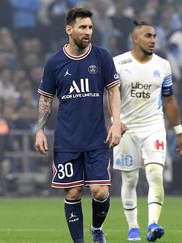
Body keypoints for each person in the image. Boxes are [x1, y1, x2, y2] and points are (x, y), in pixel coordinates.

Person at [34, 8, 122, 243]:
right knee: (72, 192)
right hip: (67, 141)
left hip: (97, 139)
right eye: (83, 27)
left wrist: (116, 122)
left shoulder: (102, 56)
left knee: (100, 191)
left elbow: (113, 90)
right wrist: (40, 129)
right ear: (69, 29)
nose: (88, 32)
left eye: (90, 27)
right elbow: (45, 98)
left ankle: (96, 229)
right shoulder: (55, 62)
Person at [112, 20, 182, 242]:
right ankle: (132, 228)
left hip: (153, 127)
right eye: (148, 36)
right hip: (126, 129)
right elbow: (110, 96)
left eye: (154, 36)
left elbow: (170, 100)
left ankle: (153, 224)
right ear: (136, 39)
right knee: (129, 179)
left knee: (155, 173)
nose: (153, 40)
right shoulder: (118, 63)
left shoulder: (163, 65)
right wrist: (116, 122)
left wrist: (179, 131)